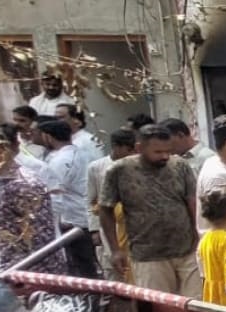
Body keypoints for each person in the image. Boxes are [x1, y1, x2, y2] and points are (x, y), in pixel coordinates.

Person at [101, 124, 201, 296]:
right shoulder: (119, 171)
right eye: (158, 152)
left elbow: (193, 203)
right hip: (148, 255)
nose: (164, 156)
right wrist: (115, 250)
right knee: (160, 310)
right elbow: (105, 210)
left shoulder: (180, 166)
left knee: (196, 306)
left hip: (187, 250)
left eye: (168, 151)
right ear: (139, 148)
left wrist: (200, 239)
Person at [0, 125, 65, 312]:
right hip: (9, 271)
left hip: (23, 276)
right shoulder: (4, 182)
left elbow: (40, 238)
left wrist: (33, 282)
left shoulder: (22, 185)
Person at [38, 120, 99, 278]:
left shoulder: (61, 161)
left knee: (82, 263)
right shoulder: (85, 153)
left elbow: (55, 191)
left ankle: (91, 297)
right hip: (87, 214)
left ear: (48, 137)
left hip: (75, 219)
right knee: (88, 261)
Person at [86, 129, 136, 281]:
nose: (132, 153)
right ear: (115, 146)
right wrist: (94, 230)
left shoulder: (137, 165)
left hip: (133, 225)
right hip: (108, 224)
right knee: (112, 268)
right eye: (128, 150)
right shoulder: (96, 167)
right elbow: (90, 199)